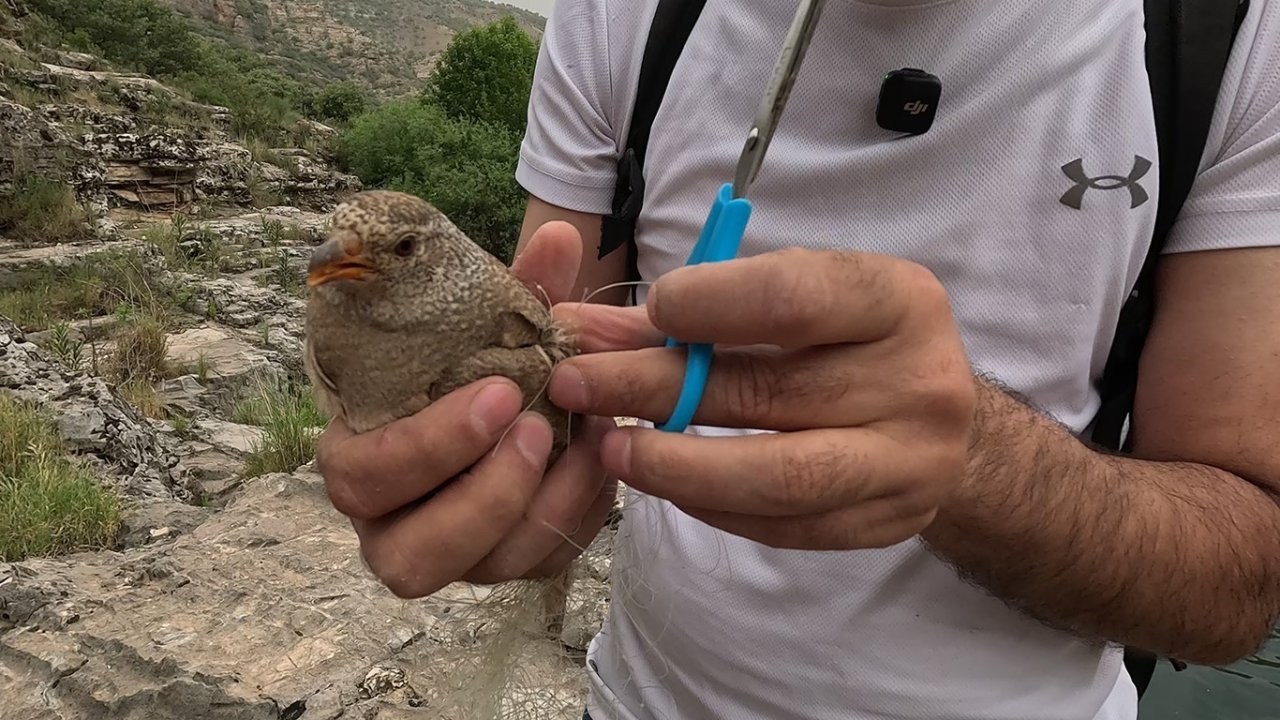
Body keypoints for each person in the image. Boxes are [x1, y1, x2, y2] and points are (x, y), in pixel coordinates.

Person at [315, 0, 1280, 718]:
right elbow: (548, 376)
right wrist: (469, 480)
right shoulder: (623, 15)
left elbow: (1238, 587)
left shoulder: (1229, 38)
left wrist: (976, 462)